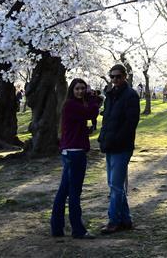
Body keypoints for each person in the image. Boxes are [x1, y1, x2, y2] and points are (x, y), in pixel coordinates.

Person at [51, 78, 102, 240]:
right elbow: (92, 113)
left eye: (83, 89)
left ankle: (57, 227)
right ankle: (78, 230)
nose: (80, 91)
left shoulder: (72, 105)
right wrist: (93, 99)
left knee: (63, 191)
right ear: (72, 90)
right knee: (74, 193)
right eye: (77, 89)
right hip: (75, 154)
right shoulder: (72, 105)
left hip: (69, 151)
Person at [97, 64, 140, 235]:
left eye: (118, 77)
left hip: (122, 147)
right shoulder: (110, 95)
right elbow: (107, 120)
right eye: (112, 77)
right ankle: (126, 219)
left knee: (115, 186)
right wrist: (103, 139)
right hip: (109, 145)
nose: (115, 80)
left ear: (125, 77)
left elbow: (130, 124)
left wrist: (115, 140)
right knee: (114, 185)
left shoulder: (130, 96)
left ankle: (114, 221)